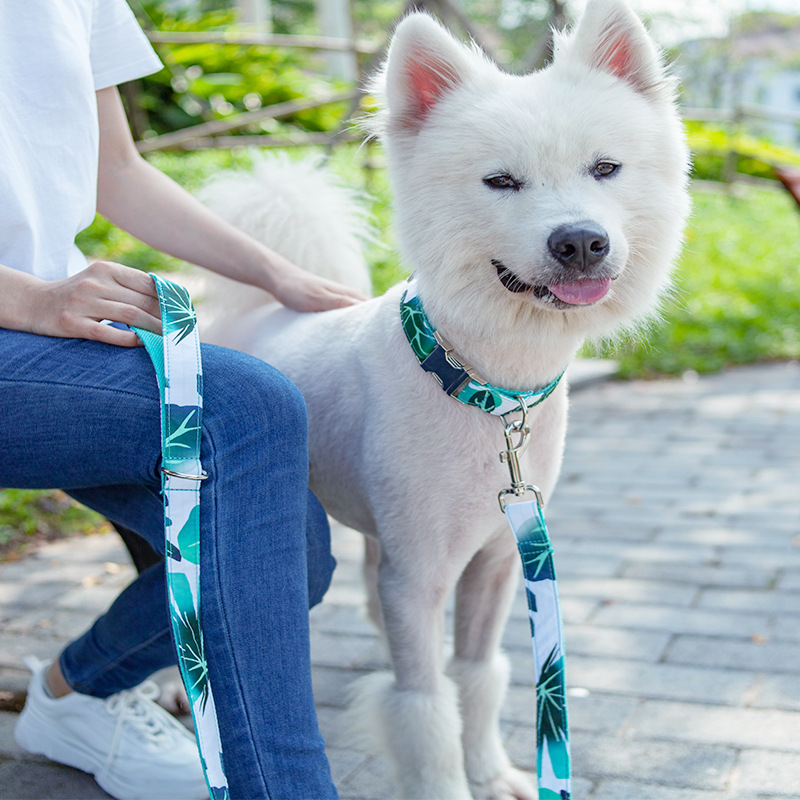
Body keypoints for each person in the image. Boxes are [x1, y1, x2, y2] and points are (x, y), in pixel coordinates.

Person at [0, 2, 365, 798]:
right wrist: (26, 300)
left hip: (44, 334)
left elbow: (116, 169)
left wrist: (276, 271)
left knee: (288, 553)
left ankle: (71, 695)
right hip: (22, 320)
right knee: (245, 410)